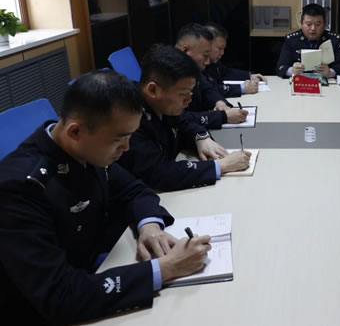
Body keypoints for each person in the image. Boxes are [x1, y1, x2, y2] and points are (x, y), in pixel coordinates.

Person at [0, 71, 213, 324]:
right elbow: (60, 296)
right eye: (119, 139)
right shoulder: (19, 188)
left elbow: (134, 190)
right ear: (75, 132)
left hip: (96, 271)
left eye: (130, 136)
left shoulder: (86, 148)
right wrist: (166, 269)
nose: (127, 148)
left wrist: (149, 227)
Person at [118, 44, 250, 192]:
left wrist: (200, 137)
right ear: (153, 90)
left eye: (190, 93)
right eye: (183, 94)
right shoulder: (128, 117)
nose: (189, 100)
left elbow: (184, 120)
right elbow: (158, 174)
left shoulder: (162, 104)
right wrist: (222, 165)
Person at [175, 23, 248, 128]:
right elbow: (178, 119)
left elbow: (207, 89)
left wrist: (219, 103)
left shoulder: (191, 68)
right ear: (185, 51)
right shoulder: (168, 74)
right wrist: (223, 117)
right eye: (205, 56)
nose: (207, 62)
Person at [276, 3, 340, 78]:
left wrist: (330, 73)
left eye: (318, 24)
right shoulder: (291, 40)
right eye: (308, 24)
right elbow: (280, 67)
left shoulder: (334, 40)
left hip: (327, 81)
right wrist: (291, 71)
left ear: (324, 24)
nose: (313, 28)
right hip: (299, 82)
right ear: (301, 24)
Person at [204, 22, 267, 97]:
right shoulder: (198, 65)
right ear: (207, 45)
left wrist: (249, 75)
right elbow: (210, 90)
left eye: (223, 49)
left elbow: (226, 72)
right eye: (220, 48)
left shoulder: (214, 62)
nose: (222, 53)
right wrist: (242, 88)